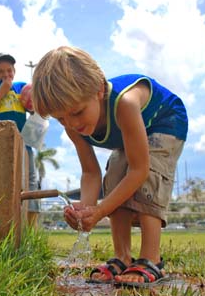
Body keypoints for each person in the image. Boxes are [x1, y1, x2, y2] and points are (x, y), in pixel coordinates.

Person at [31, 46, 188, 287]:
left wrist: (101, 210)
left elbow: (139, 170)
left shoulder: (125, 103)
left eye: (77, 112)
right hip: (132, 131)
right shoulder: (72, 124)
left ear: (99, 91)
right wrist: (85, 210)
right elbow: (90, 172)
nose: (71, 123)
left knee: (149, 178)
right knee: (114, 172)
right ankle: (123, 256)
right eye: (61, 118)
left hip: (164, 121)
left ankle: (151, 257)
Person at [0, 53, 39, 228]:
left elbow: (35, 108)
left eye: (9, 70)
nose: (6, 74)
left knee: (30, 182)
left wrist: (34, 106)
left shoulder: (22, 88)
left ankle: (30, 230)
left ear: (14, 71)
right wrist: (2, 91)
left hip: (24, 143)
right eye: (1, 71)